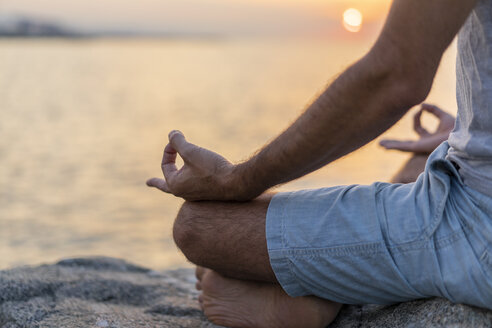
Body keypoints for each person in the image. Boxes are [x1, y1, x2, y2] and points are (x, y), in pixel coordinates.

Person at [147, 0, 492, 326]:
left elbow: (394, 76)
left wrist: (232, 180)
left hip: (478, 226)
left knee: (200, 225)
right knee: (419, 163)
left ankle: (324, 294)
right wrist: (467, 131)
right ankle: (345, 269)